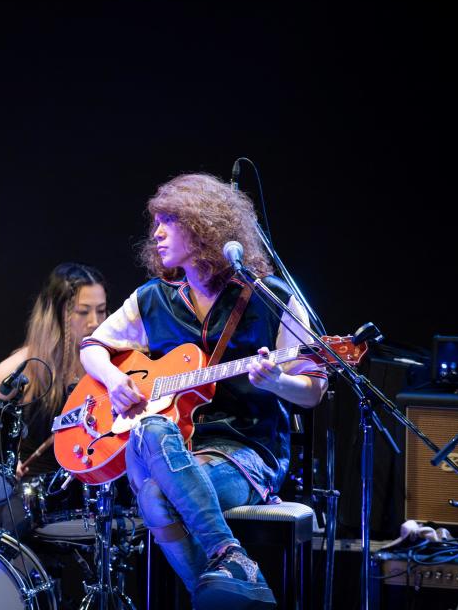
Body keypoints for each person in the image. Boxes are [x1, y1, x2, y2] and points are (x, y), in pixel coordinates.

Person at [80, 173, 328, 609]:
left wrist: (277, 381)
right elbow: (92, 348)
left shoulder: (272, 299)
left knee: (157, 495)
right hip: (177, 449)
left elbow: (313, 391)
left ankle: (217, 578)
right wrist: (117, 382)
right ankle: (233, 564)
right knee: (151, 430)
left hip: (245, 454)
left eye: (169, 221)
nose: (156, 233)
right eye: (155, 222)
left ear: (205, 226)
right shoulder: (152, 298)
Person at [0, 262, 108, 480]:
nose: (94, 322)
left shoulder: (109, 362)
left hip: (94, 492)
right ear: (55, 315)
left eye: (102, 310)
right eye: (83, 312)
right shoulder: (24, 365)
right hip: (32, 499)